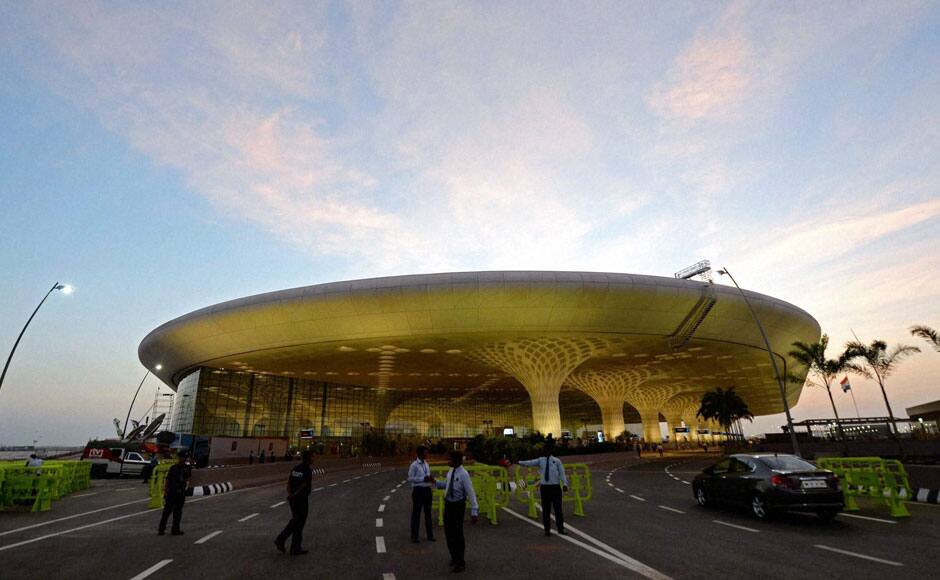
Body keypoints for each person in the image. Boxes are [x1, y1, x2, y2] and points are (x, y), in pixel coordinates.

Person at [434, 451, 478, 573]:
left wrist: (474, 511)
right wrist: (436, 482)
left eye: (450, 459)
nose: (448, 461)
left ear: (456, 461)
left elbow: (471, 492)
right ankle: (454, 557)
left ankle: (460, 562)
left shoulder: (463, 474)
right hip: (448, 504)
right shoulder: (451, 472)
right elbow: (448, 485)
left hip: (458, 506)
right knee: (448, 533)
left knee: (457, 534)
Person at [518, 444, 568, 537]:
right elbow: (530, 462)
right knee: (546, 509)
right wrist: (519, 462)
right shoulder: (541, 460)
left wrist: (565, 484)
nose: (545, 451)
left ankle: (561, 528)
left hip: (555, 487)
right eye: (544, 450)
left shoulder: (556, 461)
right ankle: (547, 529)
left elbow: (562, 473)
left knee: (558, 509)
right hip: (545, 488)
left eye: (547, 450)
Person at [275, 450, 313, 555]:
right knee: (298, 522)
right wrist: (294, 495)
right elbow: (304, 486)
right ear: (308, 458)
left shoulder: (295, 469)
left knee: (296, 521)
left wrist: (290, 494)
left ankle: (294, 547)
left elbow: (289, 483)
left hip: (293, 500)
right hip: (301, 500)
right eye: (312, 457)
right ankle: (282, 540)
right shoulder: (307, 470)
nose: (314, 459)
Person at [158, 450, 191, 536]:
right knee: (167, 511)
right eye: (182, 457)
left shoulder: (187, 468)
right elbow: (168, 480)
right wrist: (166, 491)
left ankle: (175, 529)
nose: (183, 459)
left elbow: (187, 480)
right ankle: (161, 529)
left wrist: (185, 489)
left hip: (181, 492)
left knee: (178, 512)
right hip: (172, 492)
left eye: (184, 457)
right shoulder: (173, 468)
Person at [408, 446, 436, 543]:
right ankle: (414, 536)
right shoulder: (414, 465)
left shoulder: (426, 464)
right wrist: (422, 479)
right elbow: (410, 478)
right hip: (418, 491)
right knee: (416, 514)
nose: (427, 454)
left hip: (427, 490)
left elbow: (427, 476)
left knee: (428, 514)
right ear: (420, 453)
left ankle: (430, 535)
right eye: (425, 452)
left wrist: (430, 478)